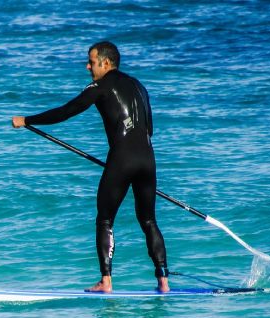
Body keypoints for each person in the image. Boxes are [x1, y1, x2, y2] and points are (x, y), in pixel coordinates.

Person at [11, 41, 169, 293]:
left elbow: (68, 110)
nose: (88, 67)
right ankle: (163, 281)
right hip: (148, 160)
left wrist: (27, 120)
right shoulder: (139, 86)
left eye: (91, 62)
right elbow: (149, 128)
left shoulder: (101, 85)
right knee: (148, 220)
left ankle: (106, 281)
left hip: (122, 158)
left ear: (105, 63)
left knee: (105, 219)